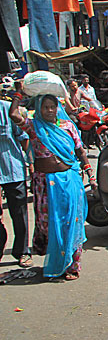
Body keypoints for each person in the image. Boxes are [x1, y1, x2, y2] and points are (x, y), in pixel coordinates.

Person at [9, 73, 94, 280]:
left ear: (58, 108)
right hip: (45, 184)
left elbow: (80, 150)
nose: (49, 111)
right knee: (49, 224)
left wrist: (90, 173)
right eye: (45, 107)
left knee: (70, 222)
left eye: (53, 107)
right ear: (39, 109)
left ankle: (73, 267)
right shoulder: (34, 127)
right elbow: (13, 115)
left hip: (69, 179)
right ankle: (56, 260)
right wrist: (18, 93)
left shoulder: (67, 127)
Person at [0, 91, 32, 267]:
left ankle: (23, 251)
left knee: (19, 214)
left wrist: (31, 163)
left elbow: (23, 138)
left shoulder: (7, 110)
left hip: (12, 170)